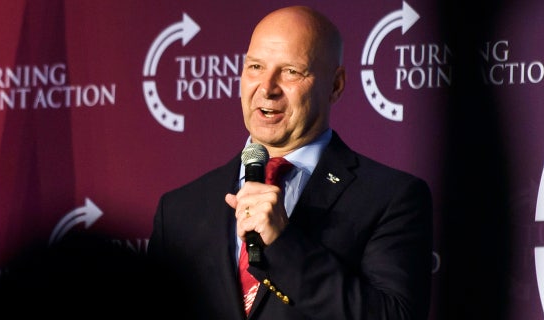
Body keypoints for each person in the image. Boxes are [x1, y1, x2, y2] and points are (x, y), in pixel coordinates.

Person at [148, 5, 433, 320]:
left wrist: (283, 244)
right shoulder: (178, 210)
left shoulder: (391, 198)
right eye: (255, 66)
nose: (267, 88)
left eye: (291, 71)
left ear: (335, 86)